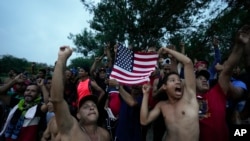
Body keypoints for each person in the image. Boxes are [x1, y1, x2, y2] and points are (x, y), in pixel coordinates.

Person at [196, 25, 250, 141]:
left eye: (205, 78)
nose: (204, 79)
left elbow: (229, 67)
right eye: (200, 78)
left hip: (235, 122)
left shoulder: (218, 92)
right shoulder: (188, 99)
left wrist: (239, 45)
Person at [50, 46, 110, 141]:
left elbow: (101, 91)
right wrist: (61, 59)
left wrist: (98, 102)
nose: (91, 107)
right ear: (78, 115)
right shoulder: (71, 129)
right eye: (86, 107)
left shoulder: (105, 135)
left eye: (93, 105)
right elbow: (57, 100)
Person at [140, 47, 199, 141]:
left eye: (179, 80)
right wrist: (146, 94)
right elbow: (144, 121)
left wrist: (167, 50)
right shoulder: (162, 105)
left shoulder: (189, 98)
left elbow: (188, 63)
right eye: (173, 80)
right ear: (164, 87)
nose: (178, 82)